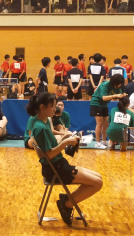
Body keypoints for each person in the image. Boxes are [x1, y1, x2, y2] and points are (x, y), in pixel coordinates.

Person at [28, 92, 103, 226]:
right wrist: (65, 143)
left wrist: (64, 137)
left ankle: (67, 199)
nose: (55, 109)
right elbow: (49, 154)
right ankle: (67, 204)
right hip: (56, 170)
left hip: (60, 165)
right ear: (42, 107)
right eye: (52, 106)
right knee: (97, 183)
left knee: (98, 177)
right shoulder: (40, 128)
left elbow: (51, 146)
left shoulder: (44, 123)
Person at [90, 73, 125, 149]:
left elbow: (119, 95)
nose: (120, 85)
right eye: (119, 84)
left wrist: (123, 95)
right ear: (115, 82)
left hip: (104, 104)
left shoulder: (117, 87)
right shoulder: (105, 85)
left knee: (106, 124)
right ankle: (97, 143)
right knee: (99, 124)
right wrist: (115, 96)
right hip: (96, 103)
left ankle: (104, 141)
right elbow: (104, 98)